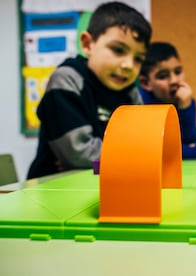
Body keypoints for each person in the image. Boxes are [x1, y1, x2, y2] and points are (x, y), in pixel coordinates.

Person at [27, 2, 152, 179]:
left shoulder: (130, 93)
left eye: (139, 59)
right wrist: (132, 156)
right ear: (87, 44)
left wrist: (103, 161)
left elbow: (145, 146)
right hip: (54, 189)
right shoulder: (68, 80)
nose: (128, 65)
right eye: (118, 50)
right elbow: (79, 154)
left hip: (110, 183)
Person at [138, 42, 196, 159]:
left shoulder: (185, 100)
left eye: (178, 72)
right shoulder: (139, 103)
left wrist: (185, 107)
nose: (174, 80)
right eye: (162, 76)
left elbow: (190, 143)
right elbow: (155, 153)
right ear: (146, 83)